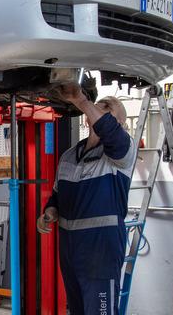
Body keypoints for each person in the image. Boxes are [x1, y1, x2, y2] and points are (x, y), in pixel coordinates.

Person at [37, 83, 136, 315]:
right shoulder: (69, 156)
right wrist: (49, 212)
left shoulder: (122, 151)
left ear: (119, 123)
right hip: (71, 252)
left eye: (107, 109)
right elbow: (57, 196)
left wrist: (82, 101)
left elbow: (110, 132)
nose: (97, 110)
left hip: (101, 252)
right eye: (96, 107)